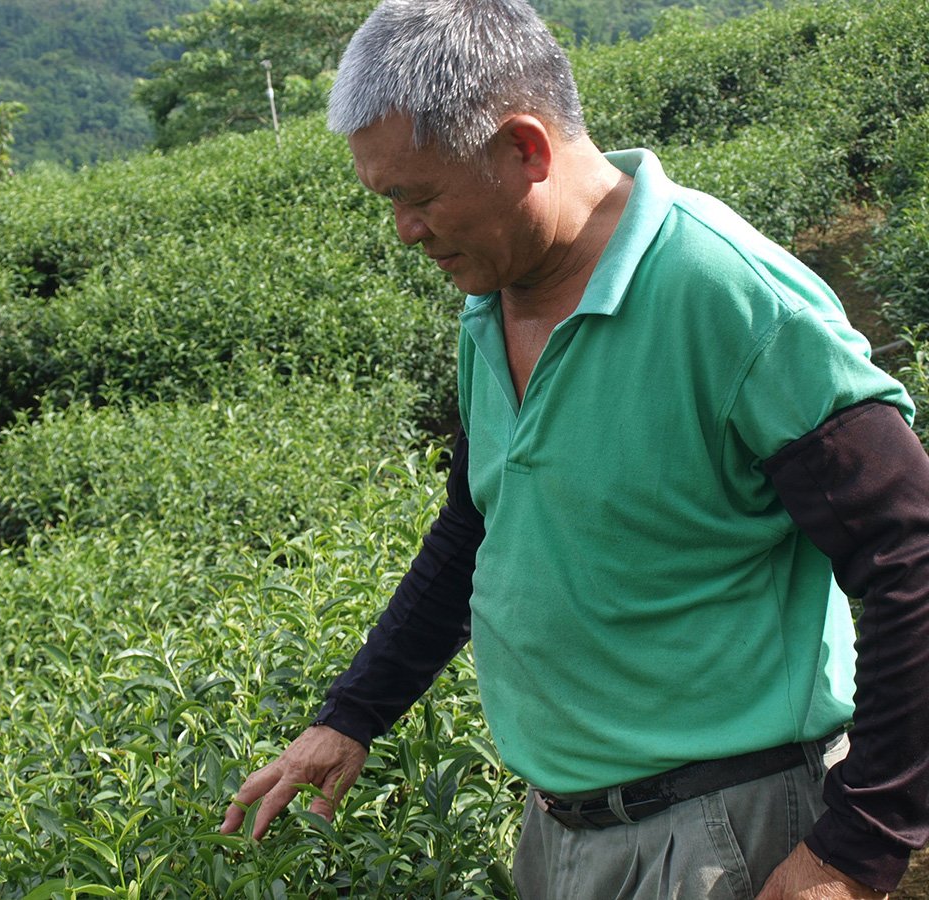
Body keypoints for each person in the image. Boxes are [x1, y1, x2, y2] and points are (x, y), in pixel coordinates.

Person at [219, 1, 929, 896]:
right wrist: (354, 714)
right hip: (562, 832)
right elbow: (483, 527)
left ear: (525, 148)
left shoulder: (728, 299)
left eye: (419, 195)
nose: (404, 229)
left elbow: (912, 554)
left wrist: (858, 849)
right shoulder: (494, 302)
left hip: (719, 836)